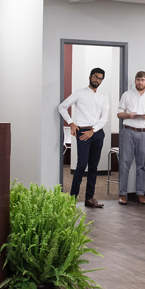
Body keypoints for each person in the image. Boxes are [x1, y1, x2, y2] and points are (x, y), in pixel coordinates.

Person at [58, 67, 109, 209]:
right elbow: (62, 107)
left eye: (100, 78)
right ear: (90, 76)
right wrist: (71, 123)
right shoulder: (79, 93)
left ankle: (89, 198)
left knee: (93, 167)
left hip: (97, 133)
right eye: (95, 77)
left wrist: (94, 130)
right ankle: (72, 199)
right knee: (81, 166)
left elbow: (104, 117)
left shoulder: (103, 96)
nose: (97, 80)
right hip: (82, 133)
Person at [117, 71, 145, 205]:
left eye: (142, 80)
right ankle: (122, 194)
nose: (140, 82)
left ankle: (140, 193)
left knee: (141, 165)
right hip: (128, 131)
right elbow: (119, 114)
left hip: (144, 132)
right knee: (124, 163)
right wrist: (129, 115)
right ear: (135, 81)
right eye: (138, 80)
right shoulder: (127, 95)